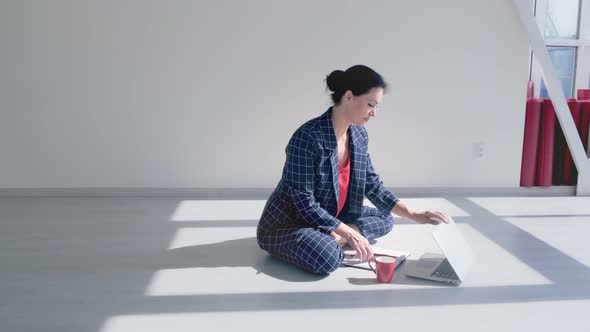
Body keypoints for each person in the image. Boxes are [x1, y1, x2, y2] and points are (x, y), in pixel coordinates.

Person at [256, 65, 449, 275]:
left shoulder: (359, 135)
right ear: (349, 97)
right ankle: (332, 239)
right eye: (370, 104)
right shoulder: (307, 138)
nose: (374, 113)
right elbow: (304, 204)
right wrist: (349, 233)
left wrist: (412, 213)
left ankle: (334, 236)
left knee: (385, 218)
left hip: (331, 215)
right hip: (291, 224)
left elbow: (372, 184)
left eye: (376, 106)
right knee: (327, 257)